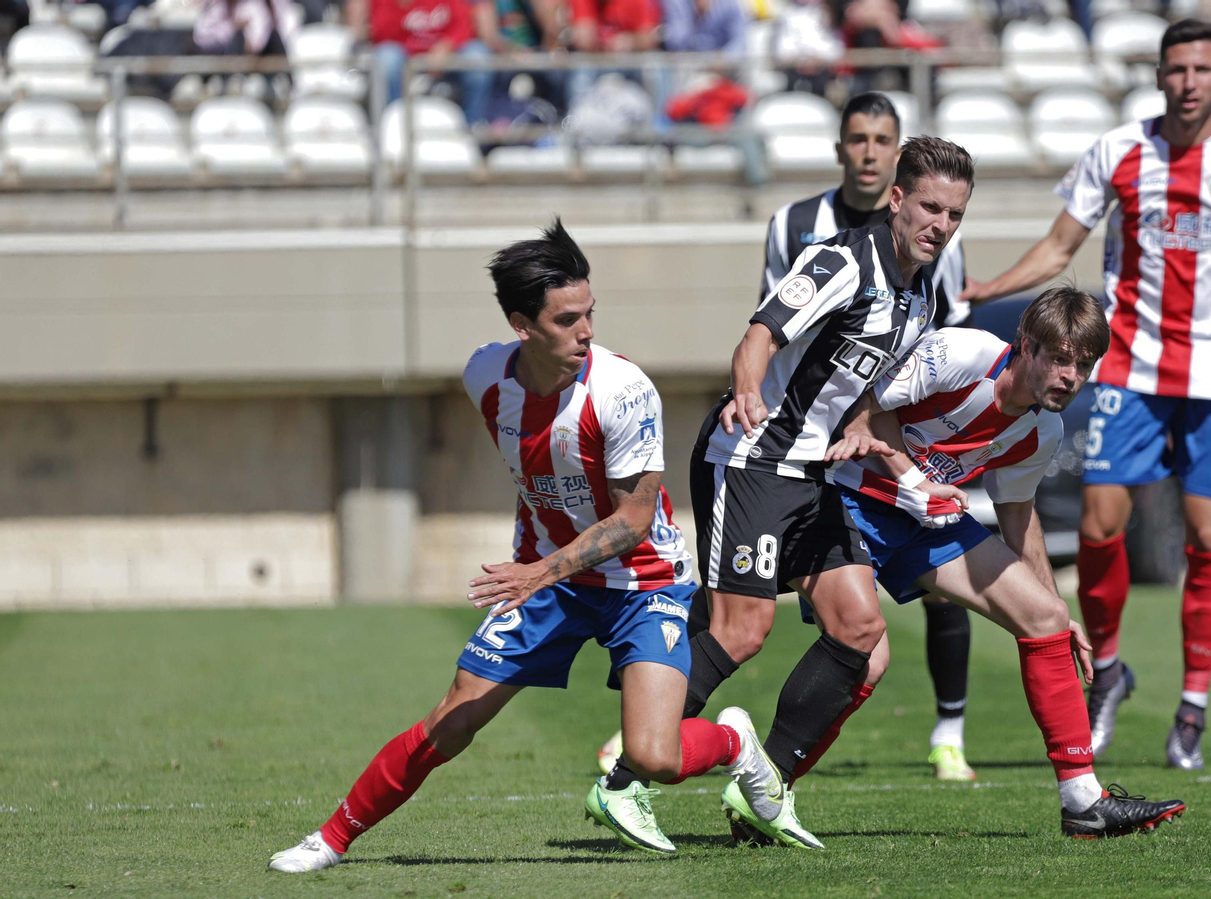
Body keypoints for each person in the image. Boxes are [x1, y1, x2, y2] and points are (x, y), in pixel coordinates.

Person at [266, 221, 785, 872]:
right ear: (522, 325)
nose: (587, 331)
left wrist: (538, 569)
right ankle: (331, 839)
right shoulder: (485, 375)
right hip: (551, 582)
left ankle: (734, 740)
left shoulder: (623, 391)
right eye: (567, 320)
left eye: (590, 313)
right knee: (452, 719)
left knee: (653, 756)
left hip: (642, 582)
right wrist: (542, 568)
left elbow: (634, 516)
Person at [961, 18, 1211, 771]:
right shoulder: (1120, 150)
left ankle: (1192, 705)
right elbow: (1062, 244)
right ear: (1159, 77)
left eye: (1201, 69)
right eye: (1175, 69)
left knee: (1206, 535)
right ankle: (1110, 669)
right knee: (1101, 526)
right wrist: (991, 288)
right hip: (1130, 365)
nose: (1188, 81)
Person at [594, 136, 969, 850]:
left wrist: (895, 459)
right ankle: (626, 776)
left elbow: (864, 390)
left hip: (814, 474)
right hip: (753, 458)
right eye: (929, 207)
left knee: (860, 631)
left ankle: (762, 788)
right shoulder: (842, 259)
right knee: (743, 629)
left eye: (954, 214)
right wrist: (744, 387)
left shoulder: (921, 289)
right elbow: (762, 332)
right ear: (896, 198)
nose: (941, 225)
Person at [787, 287, 1188, 840]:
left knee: (1043, 620)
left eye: (1084, 365)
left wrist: (1054, 606)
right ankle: (768, 785)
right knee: (859, 658)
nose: (1071, 377)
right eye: (1060, 359)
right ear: (1026, 346)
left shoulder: (1042, 431)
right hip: (844, 501)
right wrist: (913, 481)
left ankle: (1083, 802)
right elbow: (862, 413)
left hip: (920, 521)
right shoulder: (962, 354)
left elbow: (1018, 514)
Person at [764, 90, 978, 782]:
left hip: (885, 433)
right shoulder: (798, 225)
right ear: (844, 151)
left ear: (896, 154)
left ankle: (949, 734)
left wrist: (909, 459)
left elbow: (928, 343)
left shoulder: (937, 235)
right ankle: (661, 729)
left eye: (882, 138)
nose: (868, 149)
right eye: (857, 138)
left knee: (943, 575)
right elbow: (776, 330)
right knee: (747, 605)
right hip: (800, 447)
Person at [348, 0, 495, 125]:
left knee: (478, 54)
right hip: (405, 57)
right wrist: (401, 6)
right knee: (387, 58)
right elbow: (382, 34)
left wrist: (447, 46)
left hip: (447, 55)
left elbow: (464, 24)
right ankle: (394, 126)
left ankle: (471, 128)